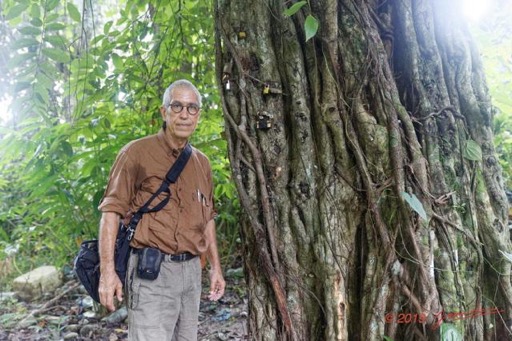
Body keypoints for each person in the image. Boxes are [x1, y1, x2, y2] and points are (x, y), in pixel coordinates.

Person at [97, 79, 226, 340]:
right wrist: (107, 272)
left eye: (191, 108)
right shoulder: (136, 153)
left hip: (190, 274)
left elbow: (208, 218)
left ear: (198, 115)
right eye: (177, 106)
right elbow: (111, 212)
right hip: (151, 273)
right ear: (163, 111)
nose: (184, 114)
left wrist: (216, 268)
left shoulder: (202, 163)